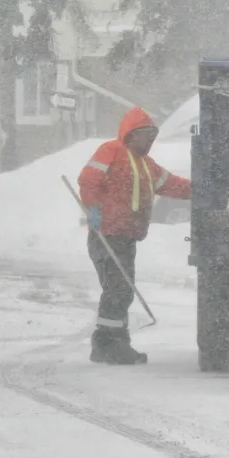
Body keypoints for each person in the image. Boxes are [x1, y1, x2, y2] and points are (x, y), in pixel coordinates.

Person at [78, 107, 191, 364]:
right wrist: (93, 208)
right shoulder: (111, 152)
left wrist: (203, 189)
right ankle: (107, 343)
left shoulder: (145, 165)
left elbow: (172, 184)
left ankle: (115, 342)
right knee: (117, 288)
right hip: (106, 234)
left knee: (122, 289)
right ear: (131, 134)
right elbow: (88, 179)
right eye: (146, 135)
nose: (150, 141)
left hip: (126, 236)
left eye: (153, 136)